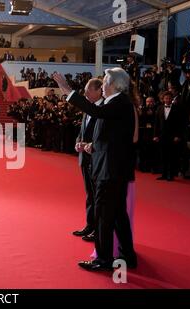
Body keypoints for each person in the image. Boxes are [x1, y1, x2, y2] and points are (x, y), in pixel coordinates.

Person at [53, 68, 137, 271]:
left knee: (103, 217)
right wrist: (93, 146)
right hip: (111, 168)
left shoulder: (119, 102)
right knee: (117, 215)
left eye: (106, 80)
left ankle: (104, 259)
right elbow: (112, 137)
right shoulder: (118, 103)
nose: (103, 84)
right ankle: (128, 256)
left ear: (114, 84)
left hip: (110, 171)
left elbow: (96, 112)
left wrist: (67, 89)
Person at [73, 78, 104, 242]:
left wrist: (90, 145)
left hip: (97, 159)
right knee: (89, 194)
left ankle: (97, 230)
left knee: (97, 196)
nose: (85, 94)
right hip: (84, 158)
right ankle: (89, 225)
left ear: (99, 90)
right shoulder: (88, 109)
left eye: (88, 91)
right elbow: (82, 130)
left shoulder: (104, 109)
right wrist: (78, 142)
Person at [153, 91, 185, 181]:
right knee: (163, 156)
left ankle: (170, 175)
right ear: (163, 99)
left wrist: (178, 135)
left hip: (172, 136)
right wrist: (155, 135)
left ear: (172, 99)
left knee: (172, 156)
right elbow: (156, 123)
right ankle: (163, 174)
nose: (167, 100)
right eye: (166, 98)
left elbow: (180, 124)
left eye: (169, 98)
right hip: (162, 136)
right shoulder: (159, 108)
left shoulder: (177, 109)